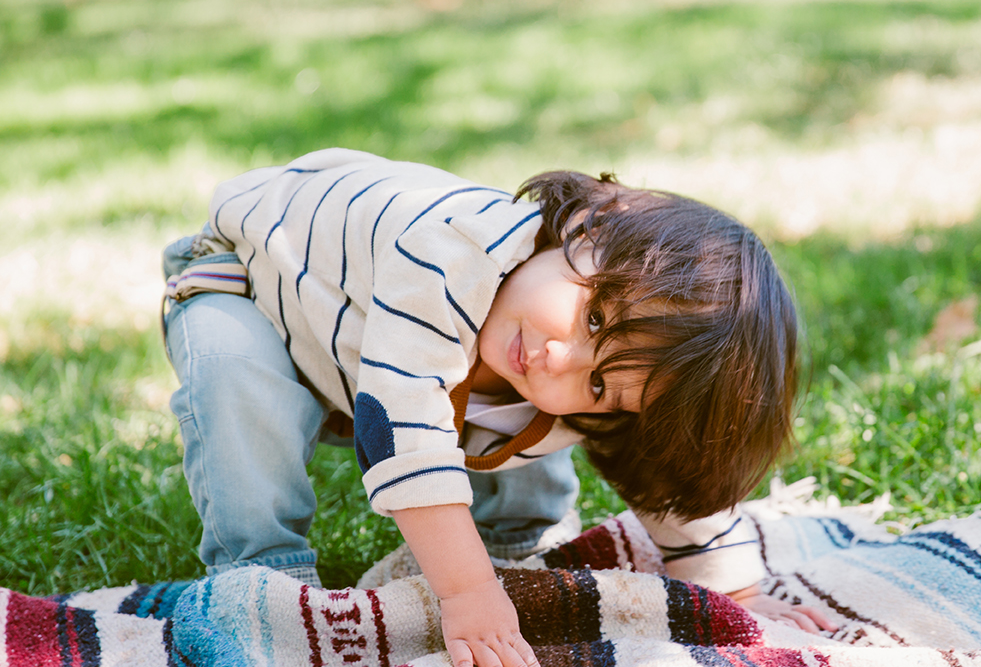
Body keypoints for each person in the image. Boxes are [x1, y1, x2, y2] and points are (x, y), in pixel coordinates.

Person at [161, 149, 835, 667]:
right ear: (592, 225)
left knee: (545, 411)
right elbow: (400, 426)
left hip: (371, 357)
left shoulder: (558, 355)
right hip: (256, 289)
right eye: (595, 317)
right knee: (234, 370)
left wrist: (737, 597)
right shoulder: (451, 249)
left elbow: (662, 469)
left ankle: (520, 542)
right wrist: (467, 594)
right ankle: (262, 574)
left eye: (602, 383)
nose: (560, 357)